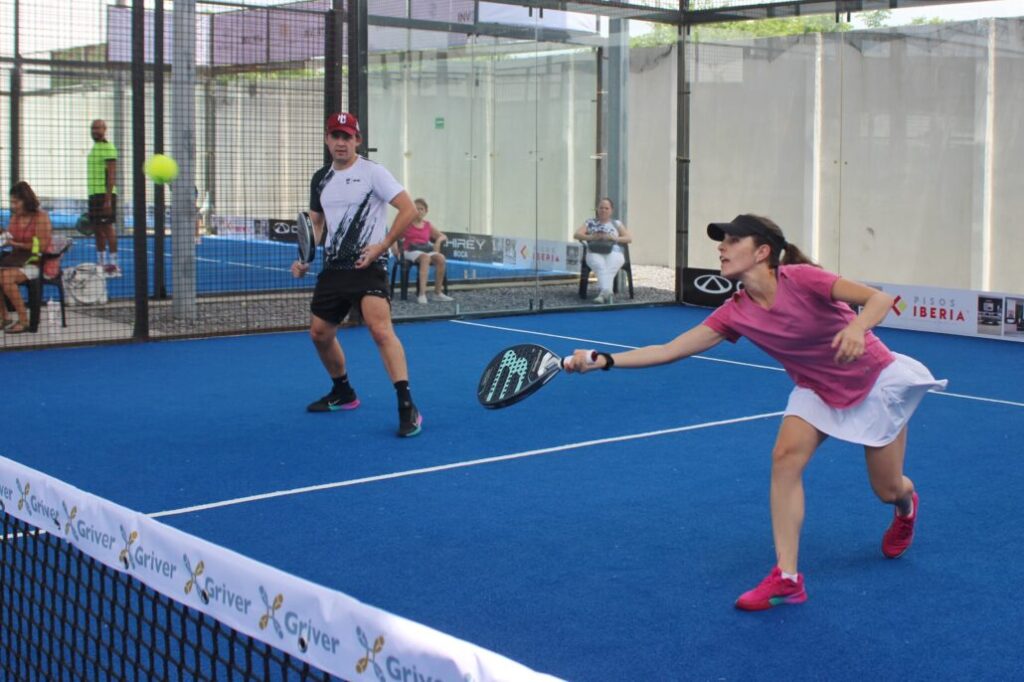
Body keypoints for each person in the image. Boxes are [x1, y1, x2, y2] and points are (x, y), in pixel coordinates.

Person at [565, 213, 946, 610]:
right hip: (816, 389)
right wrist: (603, 359)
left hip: (874, 383)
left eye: (732, 241)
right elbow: (670, 349)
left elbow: (878, 298)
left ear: (762, 251)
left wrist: (856, 328)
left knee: (887, 489)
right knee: (784, 457)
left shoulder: (799, 278)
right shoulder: (735, 311)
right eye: (721, 242)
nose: (721, 248)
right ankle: (787, 578)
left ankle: (906, 506)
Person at [291, 112, 423, 438]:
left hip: (368, 266)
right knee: (320, 334)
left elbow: (408, 209)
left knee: (380, 330)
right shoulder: (320, 178)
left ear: (357, 141)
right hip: (334, 269)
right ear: (327, 140)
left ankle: (407, 405)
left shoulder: (373, 173)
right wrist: (305, 258)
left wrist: (383, 246)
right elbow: (316, 223)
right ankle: (344, 392)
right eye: (335, 136)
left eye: (347, 137)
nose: (341, 142)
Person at [1, 182, 53, 334]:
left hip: (36, 262)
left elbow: (41, 247)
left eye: (16, 202)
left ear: (26, 200)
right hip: (17, 260)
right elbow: (9, 239)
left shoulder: (41, 218)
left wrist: (15, 243)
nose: (13, 205)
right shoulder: (15, 218)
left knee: (6, 277)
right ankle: (4, 317)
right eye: (11, 202)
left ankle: (24, 320)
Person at [394, 198, 454, 304]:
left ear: (426, 211)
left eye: (422, 209)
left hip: (424, 250)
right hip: (409, 251)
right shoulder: (406, 223)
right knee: (425, 258)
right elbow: (393, 236)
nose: (419, 211)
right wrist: (396, 252)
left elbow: (443, 236)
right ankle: (422, 294)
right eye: (416, 209)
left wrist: (438, 242)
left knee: (441, 258)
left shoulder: (428, 225)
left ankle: (437, 293)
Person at [573, 197, 631, 304]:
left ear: (611, 210)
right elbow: (577, 234)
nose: (603, 210)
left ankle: (603, 293)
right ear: (597, 209)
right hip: (594, 250)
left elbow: (628, 238)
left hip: (614, 251)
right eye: (601, 208)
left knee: (610, 266)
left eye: (606, 208)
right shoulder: (590, 222)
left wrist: (613, 238)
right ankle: (607, 292)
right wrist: (592, 237)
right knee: (600, 266)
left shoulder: (616, 223)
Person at [87, 119, 120, 277]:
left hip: (104, 195)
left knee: (108, 229)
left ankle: (114, 265)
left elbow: (112, 174)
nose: (95, 131)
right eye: (93, 128)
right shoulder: (95, 148)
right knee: (97, 230)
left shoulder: (108, 148)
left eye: (98, 128)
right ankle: (101, 263)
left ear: (105, 129)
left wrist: (108, 199)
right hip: (93, 194)